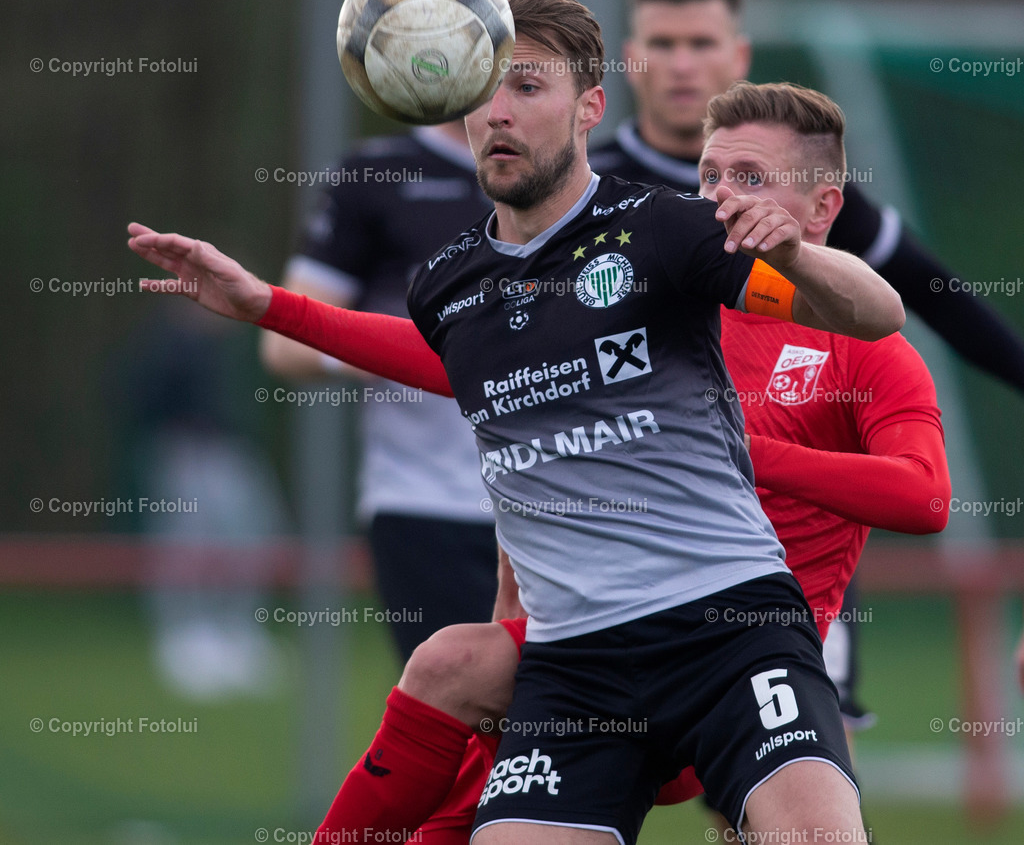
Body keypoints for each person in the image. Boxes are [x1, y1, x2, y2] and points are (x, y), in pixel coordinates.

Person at [128, 0, 906, 844]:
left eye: (528, 85)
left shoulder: (666, 232)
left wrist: (795, 251)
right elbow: (500, 440)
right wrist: (265, 302)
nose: (497, 111)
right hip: (576, 667)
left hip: (730, 630)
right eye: (481, 89)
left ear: (589, 108)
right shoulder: (446, 287)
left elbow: (875, 314)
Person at [292, 80, 951, 844]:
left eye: (749, 179)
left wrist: (751, 452)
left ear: (823, 209)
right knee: (455, 669)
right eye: (708, 176)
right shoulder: (667, 295)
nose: (719, 196)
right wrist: (275, 306)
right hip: (604, 640)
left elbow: (926, 498)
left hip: (751, 637)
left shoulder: (865, 350)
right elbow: (496, 387)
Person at [589, 0, 1024, 749]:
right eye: (664, 42)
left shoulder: (809, 195)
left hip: (797, 559)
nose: (684, 65)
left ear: (738, 56)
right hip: (631, 539)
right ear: (629, 59)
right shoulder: (593, 193)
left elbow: (929, 297)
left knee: (786, 776)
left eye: (703, 43)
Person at [260, 0, 527, 662]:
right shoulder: (374, 176)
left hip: (568, 499)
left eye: (492, 19)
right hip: (428, 506)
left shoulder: (571, 174)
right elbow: (286, 345)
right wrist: (437, 342)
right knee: (464, 727)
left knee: (582, 735)